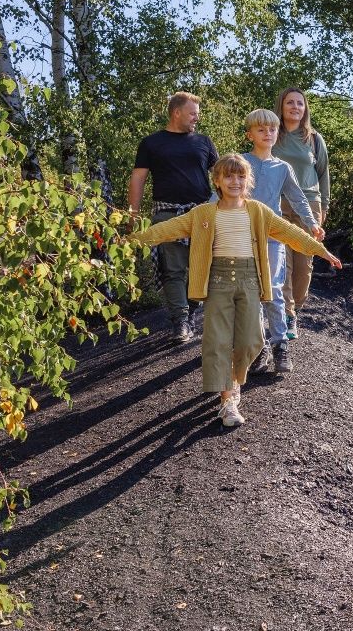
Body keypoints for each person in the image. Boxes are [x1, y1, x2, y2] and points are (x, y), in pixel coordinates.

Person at [127, 154, 341, 426]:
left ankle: (233, 379)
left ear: (248, 181)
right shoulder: (204, 213)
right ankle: (228, 401)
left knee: (252, 340)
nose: (235, 181)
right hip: (217, 281)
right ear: (217, 180)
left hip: (250, 280)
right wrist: (131, 239)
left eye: (241, 176)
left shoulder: (258, 211)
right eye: (228, 176)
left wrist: (321, 251)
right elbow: (167, 229)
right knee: (217, 340)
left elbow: (291, 233)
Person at [128, 92, 218, 343]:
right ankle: (180, 321)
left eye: (197, 114)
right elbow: (138, 179)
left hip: (202, 213)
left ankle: (191, 310)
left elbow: (221, 175)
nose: (197, 118)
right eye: (193, 113)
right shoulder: (151, 143)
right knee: (173, 270)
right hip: (167, 214)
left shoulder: (204, 142)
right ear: (176, 113)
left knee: (204, 267)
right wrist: (132, 215)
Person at [240, 109, 322, 375]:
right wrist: (204, 220)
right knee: (251, 294)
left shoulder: (282, 167)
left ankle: (280, 345)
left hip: (273, 236)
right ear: (250, 134)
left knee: (274, 290)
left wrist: (312, 223)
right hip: (243, 236)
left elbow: (298, 198)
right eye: (261, 130)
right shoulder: (240, 162)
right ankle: (259, 346)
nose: (268, 134)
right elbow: (219, 193)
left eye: (272, 129)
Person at [272, 87, 331, 341]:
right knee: (281, 261)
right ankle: (287, 315)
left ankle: (295, 306)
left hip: (309, 204)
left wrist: (324, 206)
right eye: (290, 103)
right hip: (278, 203)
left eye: (299, 103)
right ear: (281, 106)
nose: (295, 107)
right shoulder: (273, 134)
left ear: (305, 108)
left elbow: (324, 174)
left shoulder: (314, 139)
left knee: (304, 263)